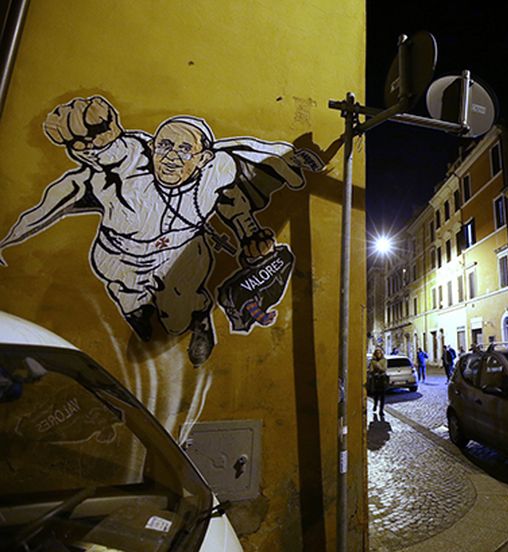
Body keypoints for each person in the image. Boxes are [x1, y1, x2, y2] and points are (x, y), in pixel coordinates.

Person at [0, 96, 321, 366]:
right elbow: (68, 188)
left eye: (185, 150)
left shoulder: (217, 170)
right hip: (120, 256)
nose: (171, 158)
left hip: (180, 252)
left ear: (203, 158)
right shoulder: (123, 168)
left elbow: (243, 175)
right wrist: (7, 240)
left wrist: (251, 230)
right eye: (164, 146)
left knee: (177, 317)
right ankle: (139, 310)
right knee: (131, 302)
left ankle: (199, 316)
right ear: (152, 147)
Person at [369, 348, 388, 415]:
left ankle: (381, 410)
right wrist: (374, 371)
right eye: (377, 353)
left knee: (382, 396)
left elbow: (384, 369)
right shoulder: (373, 361)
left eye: (379, 352)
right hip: (376, 379)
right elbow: (371, 369)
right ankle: (375, 405)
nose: (378, 354)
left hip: (382, 379)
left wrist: (378, 367)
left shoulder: (384, 360)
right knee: (376, 394)